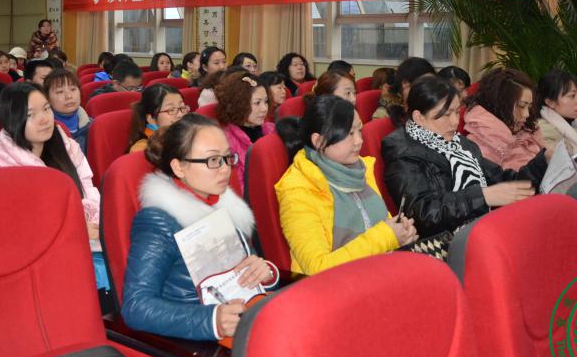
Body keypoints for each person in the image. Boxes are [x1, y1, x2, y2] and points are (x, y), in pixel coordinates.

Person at [121, 114, 279, 341]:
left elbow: (251, 265)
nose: (225, 169)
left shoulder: (221, 203)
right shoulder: (158, 221)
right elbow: (136, 306)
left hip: (245, 317)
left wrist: (265, 272)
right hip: (198, 343)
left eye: (227, 157)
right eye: (212, 160)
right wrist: (211, 320)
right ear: (179, 167)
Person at [382, 76, 547, 237]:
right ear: (419, 117)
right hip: (446, 241)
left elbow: (501, 179)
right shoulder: (404, 155)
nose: (455, 121)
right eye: (446, 115)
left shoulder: (458, 143)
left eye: (456, 111)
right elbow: (422, 214)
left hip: (477, 230)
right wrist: (482, 197)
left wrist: (543, 161)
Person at [275, 95, 416, 275]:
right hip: (338, 286)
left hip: (378, 271)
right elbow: (317, 268)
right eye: (349, 134)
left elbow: (380, 227)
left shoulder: (359, 169)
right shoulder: (297, 190)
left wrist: (400, 234)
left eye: (359, 130)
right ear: (318, 141)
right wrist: (387, 236)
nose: (359, 141)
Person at [0, 83, 106, 288]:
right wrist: (76, 229)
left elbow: (88, 189)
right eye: (31, 115)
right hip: (35, 259)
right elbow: (14, 230)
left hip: (85, 242)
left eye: (46, 109)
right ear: (13, 119)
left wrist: (95, 226)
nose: (44, 119)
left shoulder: (64, 144)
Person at [463, 68, 545, 170]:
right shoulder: (479, 148)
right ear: (501, 104)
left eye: (529, 107)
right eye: (521, 106)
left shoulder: (528, 133)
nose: (526, 114)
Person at [214, 71, 274, 182]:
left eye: (266, 101)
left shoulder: (271, 130)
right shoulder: (226, 143)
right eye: (257, 103)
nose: (264, 108)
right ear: (239, 104)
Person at [128, 84, 189, 152]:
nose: (180, 114)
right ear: (151, 118)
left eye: (182, 107)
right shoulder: (142, 149)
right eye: (171, 110)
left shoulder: (186, 135)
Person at [45, 70, 90, 151]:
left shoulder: (93, 126)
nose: (69, 96)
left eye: (73, 89)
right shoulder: (43, 133)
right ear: (47, 98)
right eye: (60, 92)